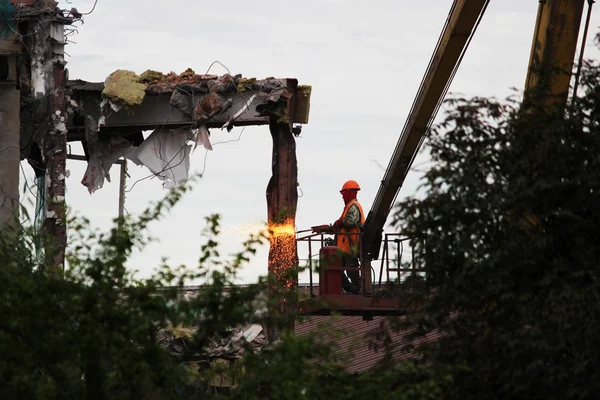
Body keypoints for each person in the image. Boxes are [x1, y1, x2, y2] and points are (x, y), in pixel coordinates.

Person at [312, 180, 365, 294]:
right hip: (343, 247)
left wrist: (339, 222)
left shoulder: (354, 206)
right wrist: (326, 229)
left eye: (343, 194)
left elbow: (349, 222)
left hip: (351, 246)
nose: (342, 197)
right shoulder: (348, 207)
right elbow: (341, 228)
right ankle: (352, 290)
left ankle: (356, 291)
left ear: (350, 192)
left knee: (351, 271)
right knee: (336, 269)